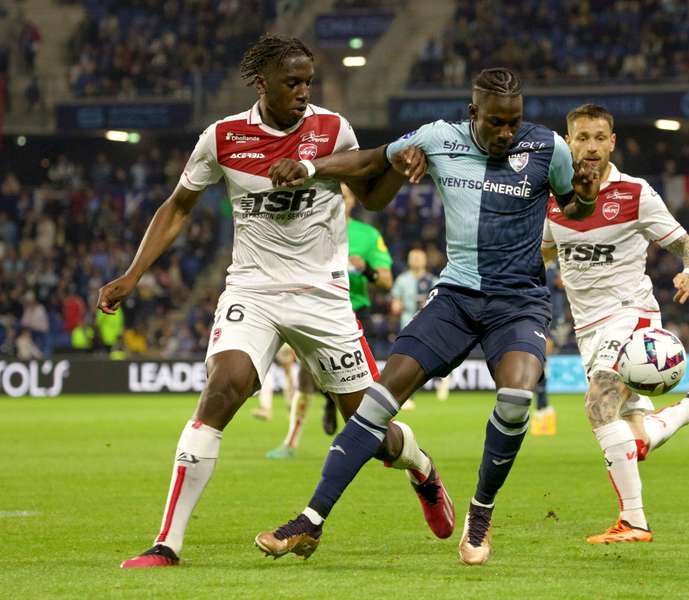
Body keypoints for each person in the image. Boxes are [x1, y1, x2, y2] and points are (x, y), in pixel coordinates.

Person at [102, 34, 448, 569]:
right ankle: (166, 544)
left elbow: (372, 196)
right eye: (292, 82)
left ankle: (422, 468)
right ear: (261, 83)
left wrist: (398, 170)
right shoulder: (222, 138)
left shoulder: (333, 129)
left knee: (370, 430)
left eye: (308, 81)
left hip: (323, 297)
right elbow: (178, 207)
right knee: (224, 387)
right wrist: (131, 274)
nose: (303, 92)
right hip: (253, 290)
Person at [254, 67, 601, 565]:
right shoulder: (438, 138)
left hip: (519, 301)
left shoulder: (548, 148)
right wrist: (309, 169)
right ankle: (310, 521)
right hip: (456, 297)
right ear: (472, 114)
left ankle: (480, 514)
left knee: (517, 398)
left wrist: (585, 195)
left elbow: (575, 207)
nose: (507, 133)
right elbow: (372, 159)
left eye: (514, 122)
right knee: (376, 403)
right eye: (496, 123)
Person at [541, 104, 689, 544]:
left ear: (612, 142)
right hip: (588, 328)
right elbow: (546, 251)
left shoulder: (636, 193)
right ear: (568, 141)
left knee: (597, 405)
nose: (590, 146)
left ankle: (634, 522)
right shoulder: (553, 197)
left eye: (598, 138)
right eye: (581, 137)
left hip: (632, 315)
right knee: (635, 442)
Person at [321, 187, 395, 432]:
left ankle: (360, 428)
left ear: (354, 201)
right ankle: (330, 399)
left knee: (361, 380)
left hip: (355, 314)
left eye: (346, 196)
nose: (341, 200)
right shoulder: (311, 230)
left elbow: (386, 282)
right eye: (336, 194)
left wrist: (367, 270)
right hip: (320, 310)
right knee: (311, 375)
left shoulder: (368, 235)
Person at [390, 248, 449, 406]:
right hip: (408, 324)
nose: (416, 259)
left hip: (429, 324)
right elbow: (395, 305)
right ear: (408, 260)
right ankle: (407, 396)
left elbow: (444, 305)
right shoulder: (402, 280)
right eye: (413, 257)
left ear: (425, 260)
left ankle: (442, 381)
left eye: (419, 257)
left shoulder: (435, 281)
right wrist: (398, 305)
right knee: (407, 359)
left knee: (434, 355)